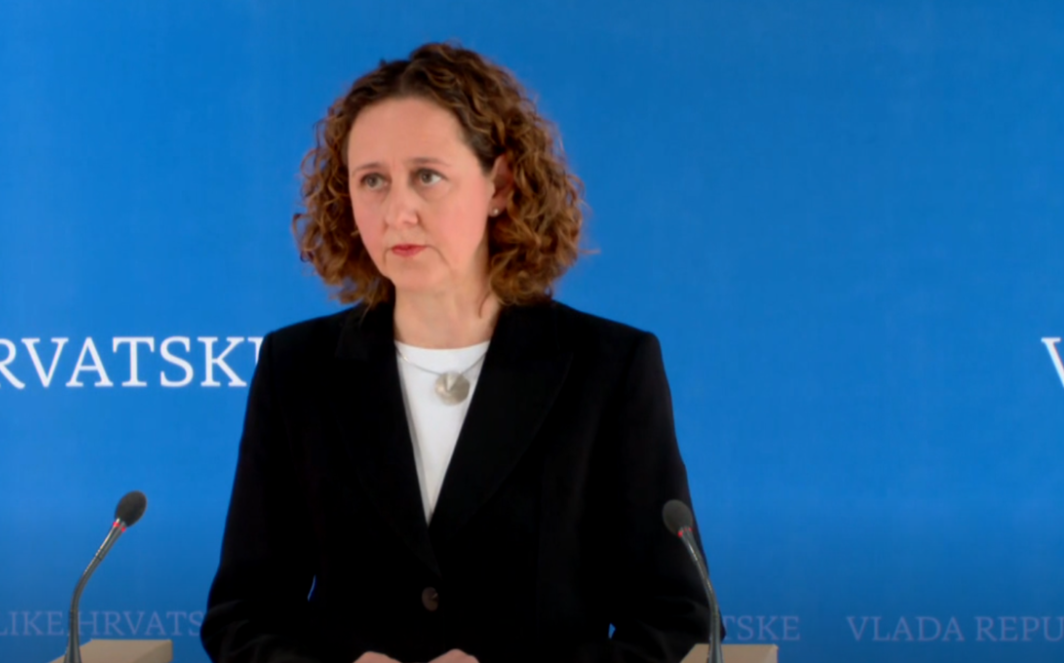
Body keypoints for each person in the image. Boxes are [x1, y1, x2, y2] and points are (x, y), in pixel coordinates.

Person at [201, 42, 715, 663]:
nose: (398, 212)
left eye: (427, 176)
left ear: (500, 184)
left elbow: (672, 614)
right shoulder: (296, 367)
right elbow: (243, 617)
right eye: (372, 180)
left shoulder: (609, 367)